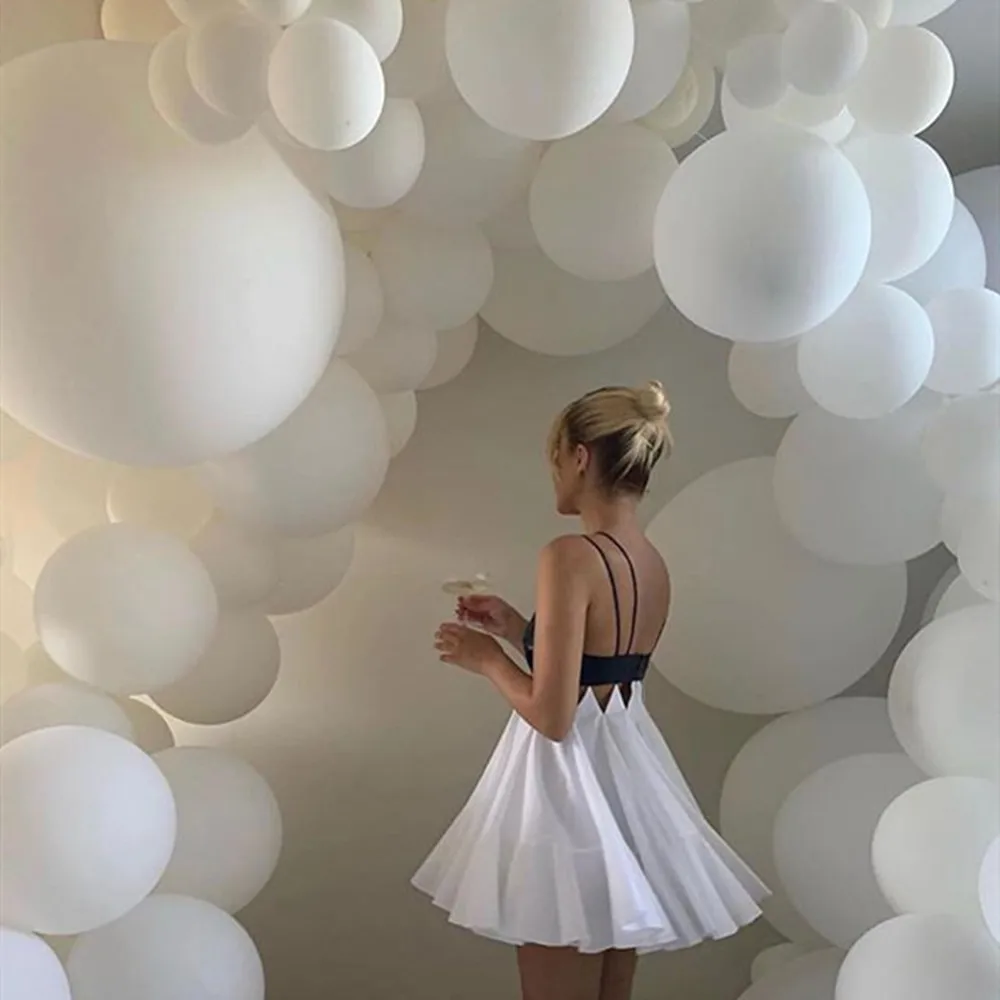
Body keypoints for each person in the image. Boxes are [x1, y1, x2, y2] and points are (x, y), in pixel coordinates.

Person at [414, 383, 768, 1000]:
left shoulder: (568, 556)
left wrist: (486, 660)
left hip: (566, 796)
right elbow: (601, 668)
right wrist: (518, 629)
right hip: (624, 787)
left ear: (579, 458)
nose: (552, 473)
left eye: (554, 458)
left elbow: (554, 715)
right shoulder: (651, 562)